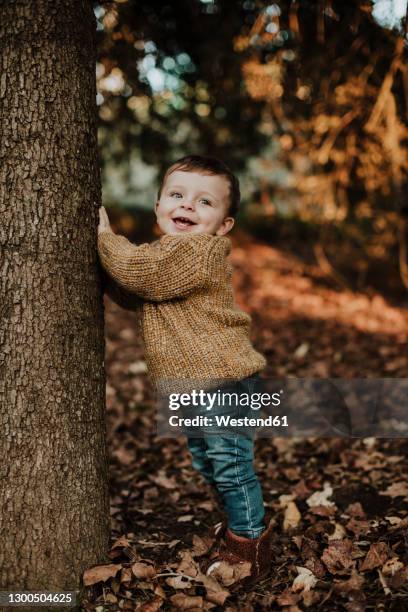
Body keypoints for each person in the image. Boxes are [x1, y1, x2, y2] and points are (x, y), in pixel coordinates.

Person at [97, 155, 274, 586]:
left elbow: (144, 275)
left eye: (204, 202)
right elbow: (141, 292)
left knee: (230, 465)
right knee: (207, 460)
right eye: (177, 195)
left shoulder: (199, 251)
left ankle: (249, 544)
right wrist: (108, 276)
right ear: (158, 205)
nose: (188, 206)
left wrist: (105, 240)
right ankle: (239, 524)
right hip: (193, 384)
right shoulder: (169, 254)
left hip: (222, 379)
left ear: (224, 225)